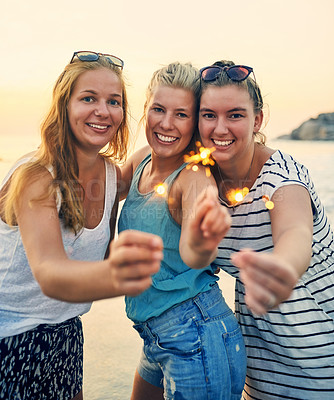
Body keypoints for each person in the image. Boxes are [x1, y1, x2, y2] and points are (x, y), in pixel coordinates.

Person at [0, 51, 163, 400]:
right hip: (9, 339)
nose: (103, 111)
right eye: (88, 98)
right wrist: (121, 275)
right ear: (65, 105)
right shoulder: (36, 178)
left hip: (67, 333)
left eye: (114, 101)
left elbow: (160, 149)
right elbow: (50, 273)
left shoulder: (110, 176)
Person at [198, 60, 334, 399]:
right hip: (260, 378)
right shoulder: (197, 180)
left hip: (322, 370)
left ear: (257, 119)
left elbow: (295, 233)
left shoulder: (284, 177)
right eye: (209, 114)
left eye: (235, 115)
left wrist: (282, 268)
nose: (220, 128)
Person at [118, 62, 246, 400]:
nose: (166, 123)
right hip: (156, 334)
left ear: (194, 124)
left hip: (195, 332)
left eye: (181, 114)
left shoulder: (193, 178)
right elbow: (96, 189)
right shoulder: (141, 160)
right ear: (145, 109)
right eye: (158, 109)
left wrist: (202, 239)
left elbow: (196, 251)